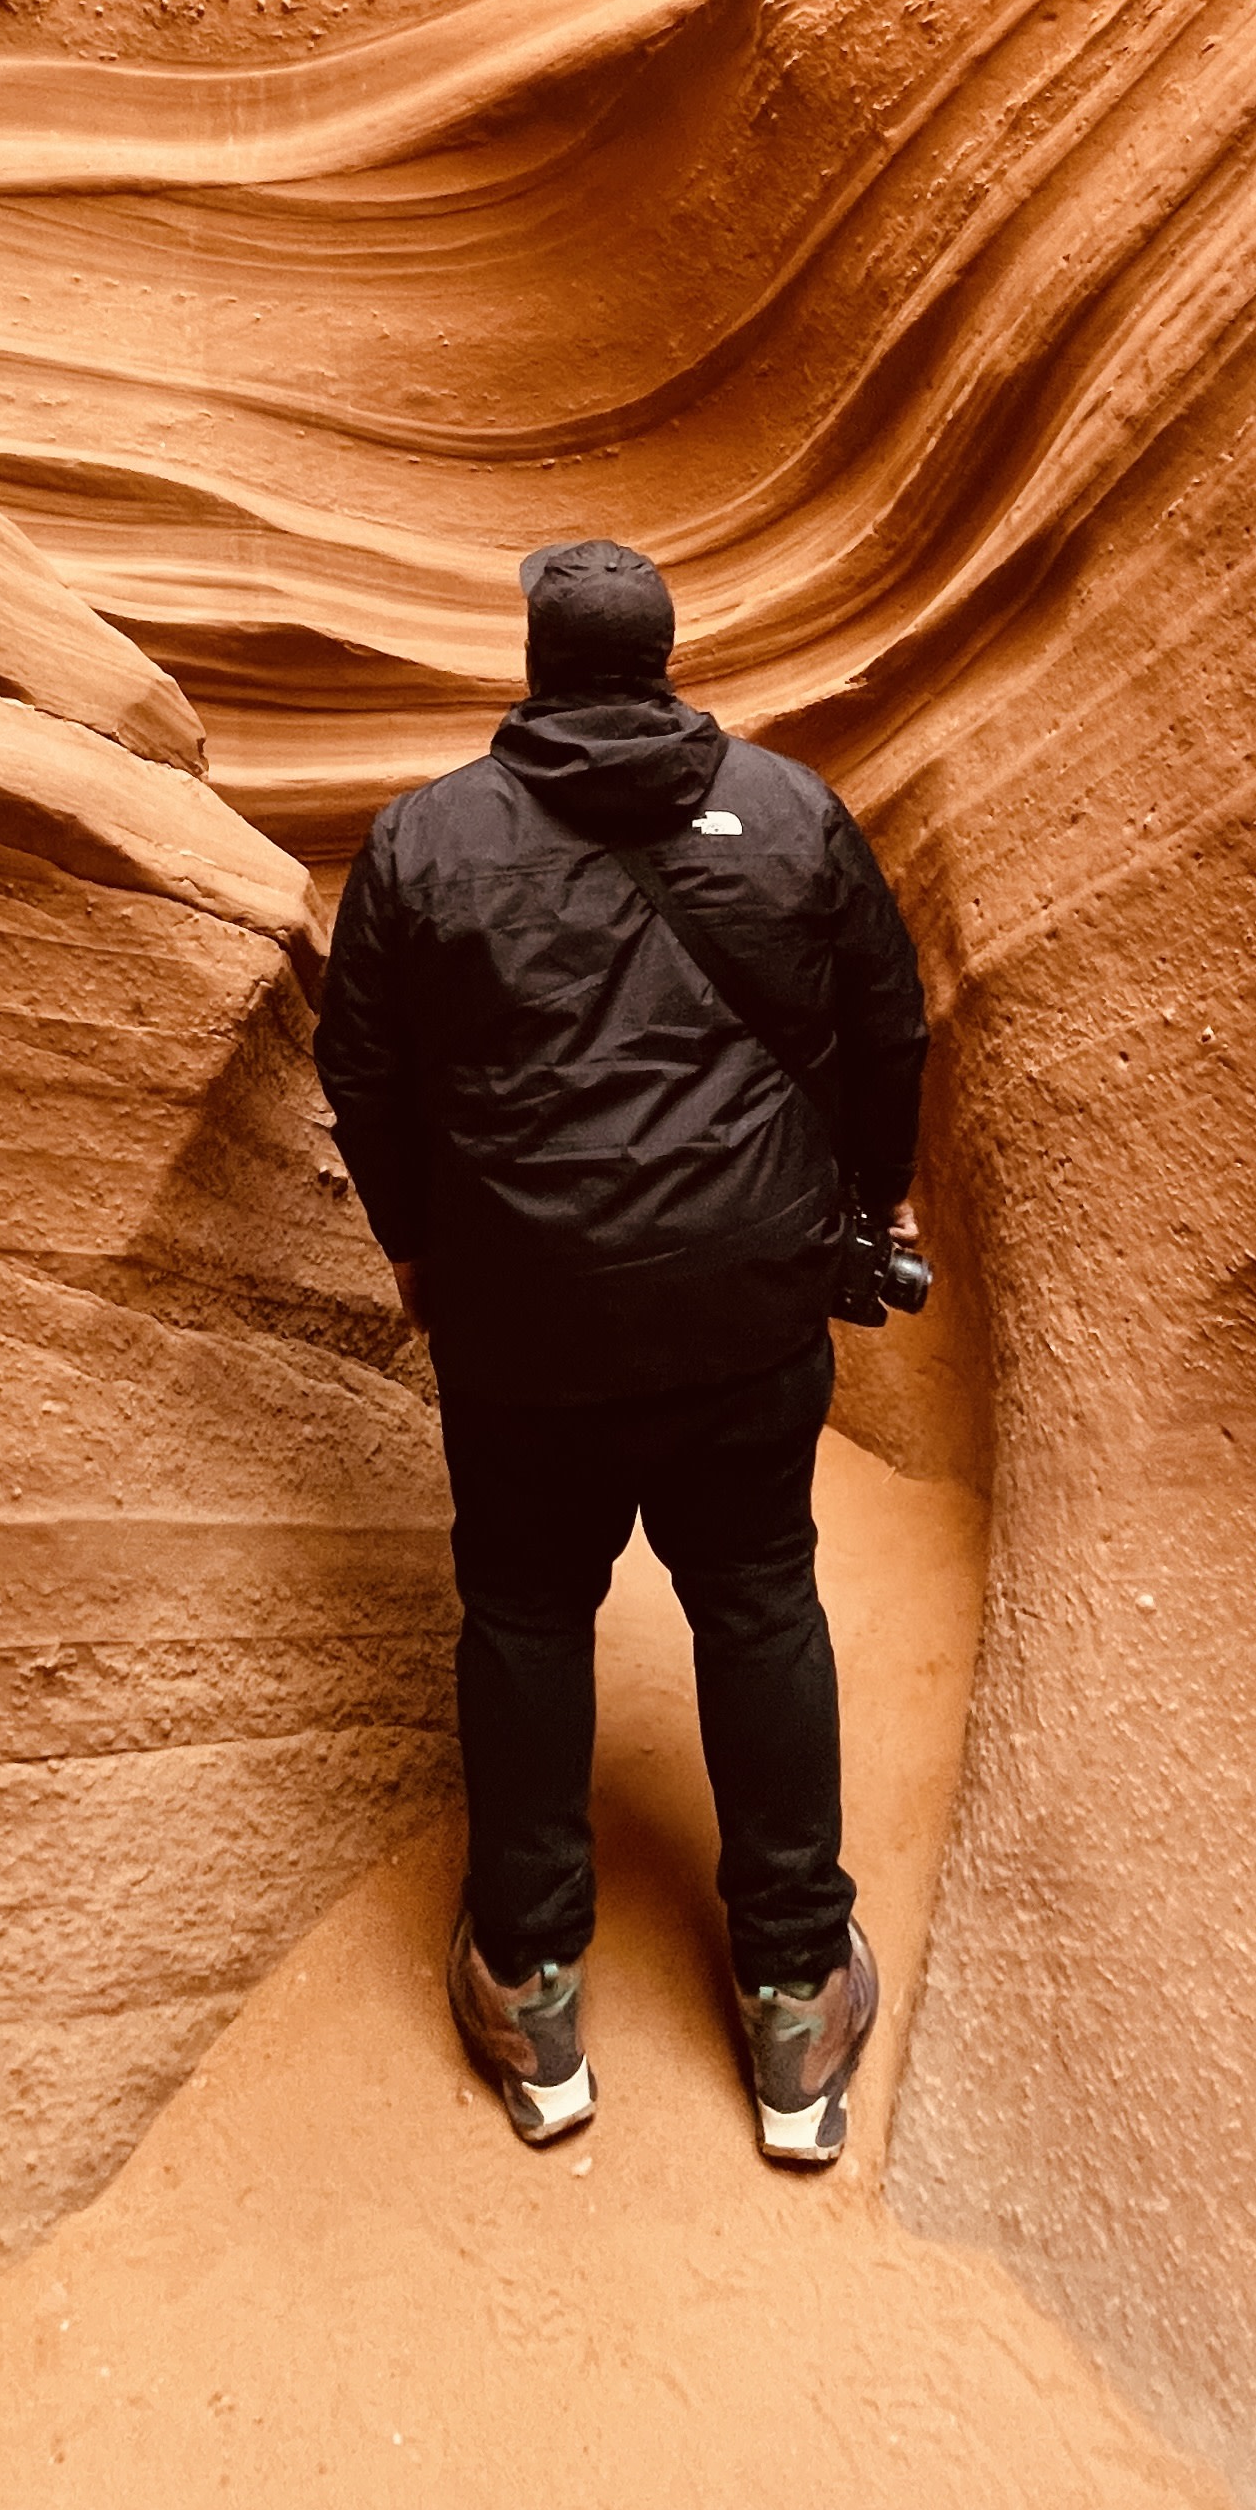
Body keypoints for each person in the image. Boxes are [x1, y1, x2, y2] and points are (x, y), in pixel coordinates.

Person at [312, 537, 931, 2169]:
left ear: (536, 662)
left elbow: (360, 1070)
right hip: (747, 1315)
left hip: (524, 1335)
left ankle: (532, 1996)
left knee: (525, 1616)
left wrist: (419, 1246)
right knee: (758, 1603)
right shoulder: (791, 812)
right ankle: (796, 2001)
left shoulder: (425, 842)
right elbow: (889, 1026)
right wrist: (861, 1208)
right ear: (662, 657)